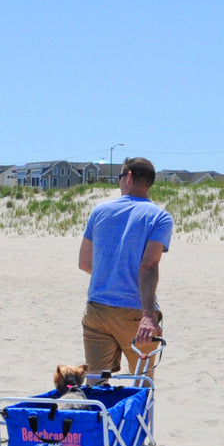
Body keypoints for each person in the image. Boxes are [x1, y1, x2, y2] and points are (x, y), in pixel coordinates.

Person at [77, 156, 174, 380]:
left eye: (120, 177)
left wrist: (109, 274)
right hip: (134, 312)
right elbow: (148, 266)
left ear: (128, 177)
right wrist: (149, 316)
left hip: (97, 309)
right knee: (142, 383)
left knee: (96, 382)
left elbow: (84, 262)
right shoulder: (159, 217)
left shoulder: (100, 211)